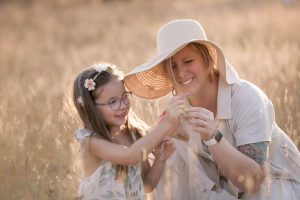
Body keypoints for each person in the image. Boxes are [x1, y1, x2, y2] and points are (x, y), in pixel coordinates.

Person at [124, 19, 300, 200]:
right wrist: (164, 130)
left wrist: (212, 137)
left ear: (208, 60)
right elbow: (148, 178)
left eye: (188, 61)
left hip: (275, 186)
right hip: (230, 190)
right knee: (171, 149)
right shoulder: (178, 108)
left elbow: (253, 182)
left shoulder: (247, 98)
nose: (181, 73)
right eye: (173, 66)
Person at [73, 62, 186, 199]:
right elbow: (130, 157)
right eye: (113, 102)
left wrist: (160, 160)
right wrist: (165, 124)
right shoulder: (91, 141)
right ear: (91, 108)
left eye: (125, 96)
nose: (123, 105)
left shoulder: (134, 134)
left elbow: (147, 185)